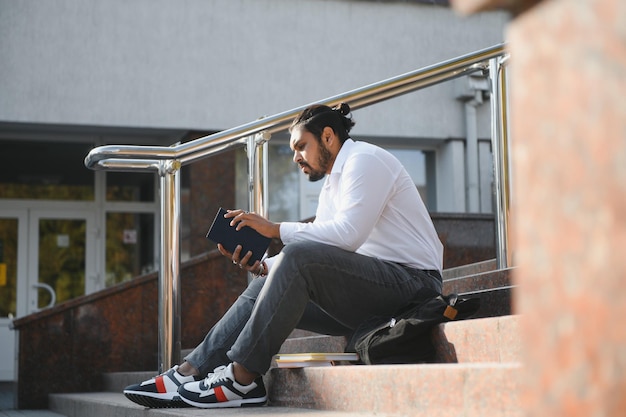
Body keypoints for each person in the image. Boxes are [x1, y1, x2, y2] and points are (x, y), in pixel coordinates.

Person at [123, 102, 444, 409]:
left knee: (300, 257)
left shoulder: (366, 161)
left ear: (328, 136)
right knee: (270, 279)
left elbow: (347, 235)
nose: (295, 157)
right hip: (370, 296)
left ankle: (241, 379)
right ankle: (188, 373)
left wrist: (274, 229)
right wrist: (263, 266)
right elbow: (324, 248)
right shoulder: (333, 184)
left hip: (413, 289)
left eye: (301, 146)